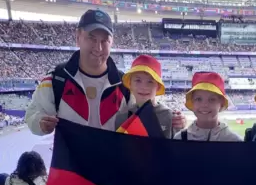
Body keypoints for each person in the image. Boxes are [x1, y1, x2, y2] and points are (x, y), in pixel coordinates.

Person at [25, 9, 185, 137]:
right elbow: (33, 114)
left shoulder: (126, 84)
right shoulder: (56, 78)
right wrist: (40, 124)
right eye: (92, 38)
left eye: (104, 41)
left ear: (111, 42)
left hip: (113, 172)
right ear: (78, 37)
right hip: (74, 169)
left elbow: (145, 113)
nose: (98, 48)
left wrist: (175, 121)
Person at [174, 72, 241, 141]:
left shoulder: (234, 141)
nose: (204, 105)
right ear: (192, 102)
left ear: (221, 103)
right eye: (198, 99)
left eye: (212, 99)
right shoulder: (179, 138)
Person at [118, 54, 174, 138]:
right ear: (130, 84)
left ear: (158, 86)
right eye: (138, 80)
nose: (143, 87)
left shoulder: (168, 115)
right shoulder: (123, 115)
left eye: (150, 82)